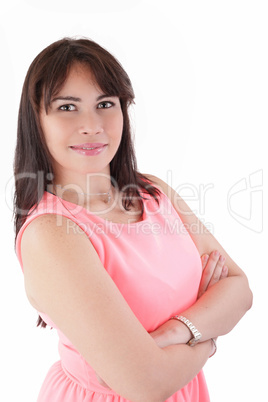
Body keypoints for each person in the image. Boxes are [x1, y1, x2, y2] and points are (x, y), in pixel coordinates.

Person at [14, 37, 252, 402]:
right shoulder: (51, 234)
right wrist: (209, 337)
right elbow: (146, 385)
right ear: (37, 121)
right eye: (67, 107)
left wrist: (176, 333)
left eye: (105, 104)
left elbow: (239, 289)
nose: (92, 125)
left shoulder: (153, 192)